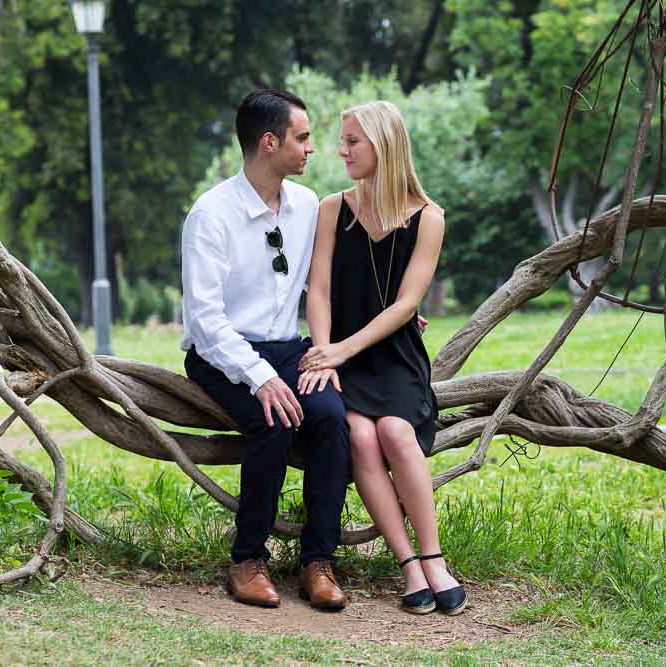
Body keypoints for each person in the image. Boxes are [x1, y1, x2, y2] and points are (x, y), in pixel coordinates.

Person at [181, 89, 350, 611]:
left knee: (329, 418)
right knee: (273, 422)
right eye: (303, 138)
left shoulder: (305, 205)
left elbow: (325, 284)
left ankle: (317, 561)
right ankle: (247, 560)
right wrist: (259, 376)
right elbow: (205, 322)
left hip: (286, 348)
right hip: (221, 353)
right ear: (269, 142)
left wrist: (395, 312)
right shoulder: (211, 215)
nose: (311, 149)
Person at [297, 100, 467, 616]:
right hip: (339, 353)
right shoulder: (333, 208)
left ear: (384, 145)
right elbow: (319, 288)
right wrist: (326, 355)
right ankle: (407, 564)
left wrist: (339, 352)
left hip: (394, 358)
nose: (341, 150)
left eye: (352, 141)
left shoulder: (429, 218)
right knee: (364, 437)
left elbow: (407, 305)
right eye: (343, 140)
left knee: (394, 430)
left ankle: (434, 558)